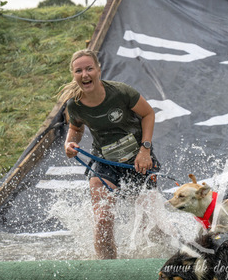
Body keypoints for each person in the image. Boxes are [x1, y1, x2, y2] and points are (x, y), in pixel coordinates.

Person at [61, 49, 160, 259]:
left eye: (89, 69)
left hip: (137, 159)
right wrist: (69, 144)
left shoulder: (121, 92)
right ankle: (108, 269)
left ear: (99, 70)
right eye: (79, 71)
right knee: (102, 219)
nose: (85, 74)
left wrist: (145, 150)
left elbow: (148, 114)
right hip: (104, 162)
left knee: (150, 224)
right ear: (74, 75)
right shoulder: (74, 105)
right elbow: (76, 129)